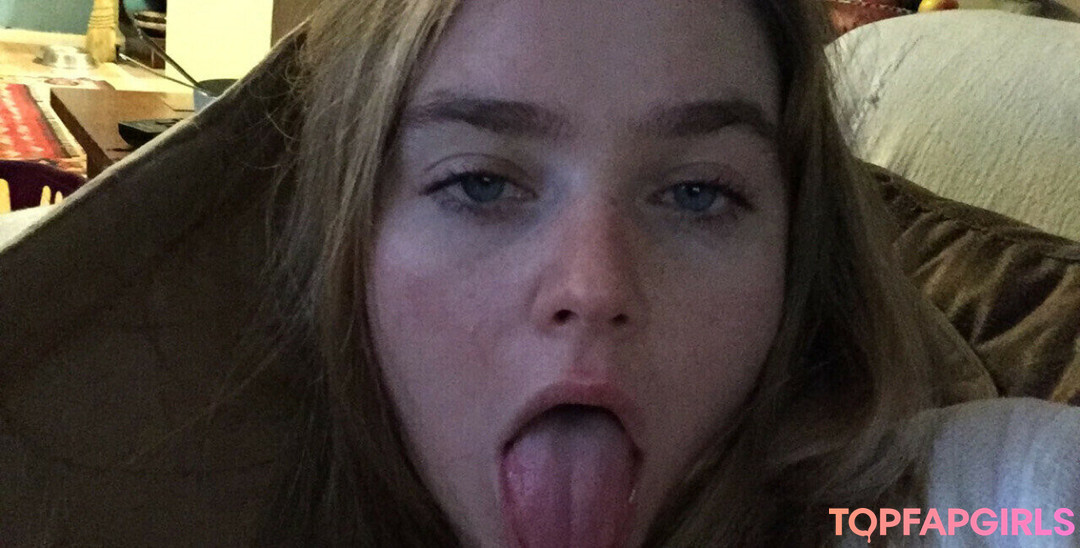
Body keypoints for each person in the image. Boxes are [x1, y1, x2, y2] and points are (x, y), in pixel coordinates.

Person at [0, 0, 1076, 546]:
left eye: (697, 194)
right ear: (346, 250)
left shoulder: (984, 501)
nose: (594, 286)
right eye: (480, 183)